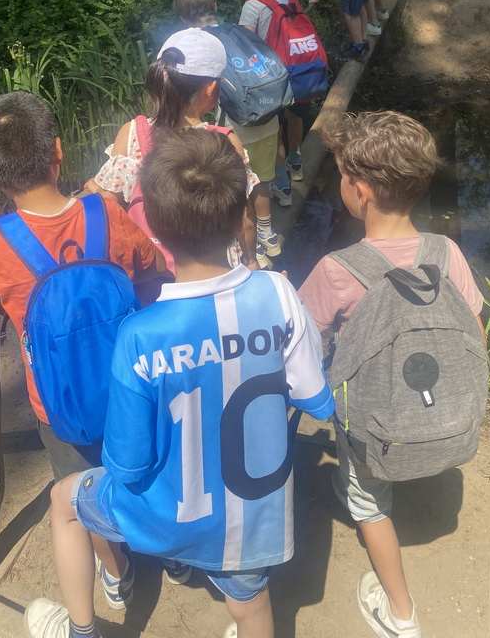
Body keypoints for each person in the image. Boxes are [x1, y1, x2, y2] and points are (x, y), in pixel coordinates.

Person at [23, 128, 335, 638]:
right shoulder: (278, 293)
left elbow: (127, 462)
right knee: (252, 606)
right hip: (252, 520)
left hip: (166, 516)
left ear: (157, 236)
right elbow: (313, 399)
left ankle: (81, 631)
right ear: (241, 221)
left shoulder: (140, 335)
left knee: (64, 503)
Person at [299, 111, 485, 638]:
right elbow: (475, 332)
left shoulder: (338, 269)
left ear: (359, 191)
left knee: (367, 503)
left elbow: (303, 348)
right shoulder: (446, 253)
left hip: (375, 430)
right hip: (445, 415)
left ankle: (400, 613)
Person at [0, 91, 166, 480]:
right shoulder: (104, 212)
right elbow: (152, 265)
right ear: (58, 151)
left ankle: (95, 540)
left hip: (58, 402)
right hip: (132, 383)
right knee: (144, 476)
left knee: (82, 492)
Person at [86, 27, 260, 272]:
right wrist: (251, 259)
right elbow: (244, 221)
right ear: (211, 89)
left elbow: (108, 205)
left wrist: (94, 186)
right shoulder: (224, 142)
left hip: (150, 271)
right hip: (212, 272)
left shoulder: (132, 133)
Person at [172, 0, 284, 269]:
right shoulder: (237, 32)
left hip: (235, 126)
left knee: (239, 188)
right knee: (261, 179)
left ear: (183, 19)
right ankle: (268, 234)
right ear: (215, 6)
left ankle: (254, 249)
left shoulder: (196, 47)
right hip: (267, 115)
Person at [241, 0, 315, 187]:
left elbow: (246, 45)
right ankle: (296, 159)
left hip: (272, 76)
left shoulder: (253, 5)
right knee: (296, 116)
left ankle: (282, 182)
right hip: (300, 69)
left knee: (275, 129)